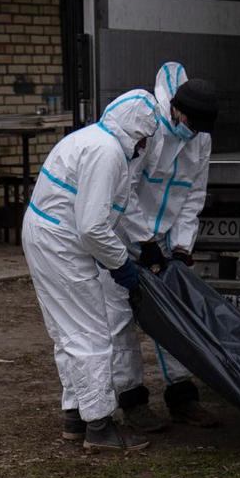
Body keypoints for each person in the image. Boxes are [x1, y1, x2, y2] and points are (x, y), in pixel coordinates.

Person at [23, 96, 168, 451]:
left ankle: (75, 416)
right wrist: (122, 265)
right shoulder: (107, 153)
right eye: (144, 139)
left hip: (50, 237)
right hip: (61, 244)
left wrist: (127, 250)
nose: (144, 147)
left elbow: (96, 217)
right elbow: (92, 228)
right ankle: (100, 427)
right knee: (90, 335)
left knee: (69, 332)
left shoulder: (92, 139)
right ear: (136, 133)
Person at [108, 63, 224, 426]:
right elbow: (123, 190)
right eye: (190, 124)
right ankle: (133, 401)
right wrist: (144, 242)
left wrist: (182, 246)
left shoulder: (200, 138)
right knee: (120, 320)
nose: (192, 134)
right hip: (122, 238)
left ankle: (183, 397)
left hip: (163, 240)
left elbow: (193, 195)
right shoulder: (149, 129)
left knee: (176, 318)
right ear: (176, 109)